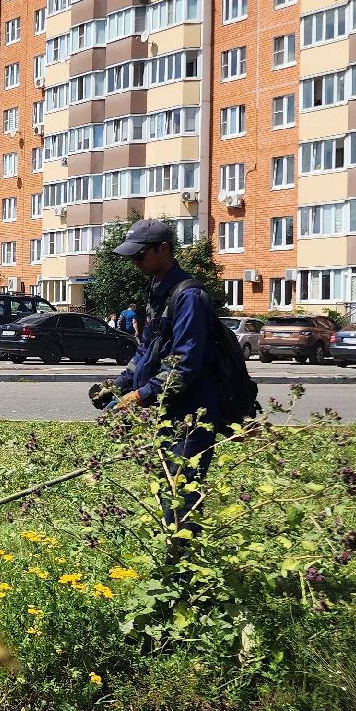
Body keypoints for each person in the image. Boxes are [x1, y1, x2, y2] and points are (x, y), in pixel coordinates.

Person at [91, 220, 223, 514]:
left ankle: (182, 555)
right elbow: (145, 350)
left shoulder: (189, 296)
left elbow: (185, 365)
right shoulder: (158, 291)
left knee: (181, 492)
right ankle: (174, 552)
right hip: (168, 407)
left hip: (193, 411)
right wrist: (118, 385)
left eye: (140, 255)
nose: (135, 262)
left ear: (163, 249)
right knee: (168, 485)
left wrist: (139, 396)